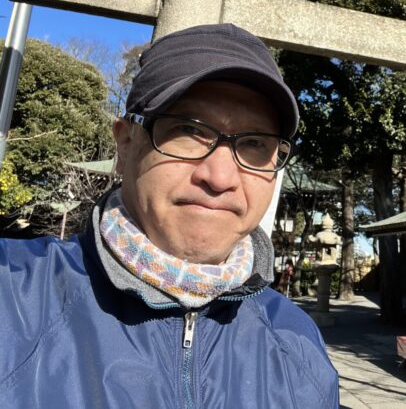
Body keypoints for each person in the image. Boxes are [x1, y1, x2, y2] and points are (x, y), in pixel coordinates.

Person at [0, 24, 339, 408]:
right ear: (126, 143)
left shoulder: (297, 341)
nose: (220, 177)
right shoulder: (14, 296)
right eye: (188, 130)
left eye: (255, 144)